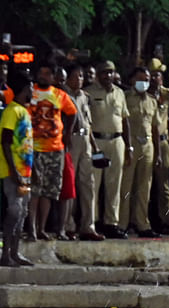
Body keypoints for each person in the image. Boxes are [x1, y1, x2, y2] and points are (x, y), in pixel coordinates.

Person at [27, 61, 76, 241]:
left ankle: (42, 228)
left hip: (55, 149)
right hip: (33, 148)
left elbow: (72, 113)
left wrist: (68, 134)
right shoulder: (30, 93)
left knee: (49, 190)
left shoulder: (60, 95)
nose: (43, 76)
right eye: (41, 72)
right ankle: (31, 228)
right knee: (34, 190)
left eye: (47, 73)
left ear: (54, 77)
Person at [85, 60, 129, 238]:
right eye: (104, 72)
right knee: (94, 183)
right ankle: (93, 221)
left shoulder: (119, 93)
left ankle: (112, 222)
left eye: (110, 72)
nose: (107, 76)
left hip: (117, 141)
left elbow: (125, 120)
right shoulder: (89, 92)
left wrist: (129, 146)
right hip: (97, 141)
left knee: (114, 183)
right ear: (98, 74)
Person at [62, 63, 101, 241]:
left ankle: (88, 226)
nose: (80, 79)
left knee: (88, 184)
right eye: (76, 75)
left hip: (85, 140)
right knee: (69, 184)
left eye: (82, 76)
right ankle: (68, 225)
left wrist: (95, 147)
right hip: (71, 140)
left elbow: (88, 124)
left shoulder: (85, 97)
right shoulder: (63, 96)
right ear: (68, 78)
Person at [119, 66, 158, 237]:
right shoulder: (126, 98)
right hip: (131, 143)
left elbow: (156, 128)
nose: (144, 83)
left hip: (148, 145)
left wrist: (158, 153)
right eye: (140, 79)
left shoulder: (152, 101)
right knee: (126, 185)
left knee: (144, 187)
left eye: (147, 80)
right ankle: (122, 223)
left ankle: (142, 223)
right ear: (132, 80)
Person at [1, 69, 33, 266]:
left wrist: (33, 170)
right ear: (24, 89)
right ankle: (5, 254)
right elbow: (5, 142)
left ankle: (16, 252)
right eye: (30, 88)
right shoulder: (11, 112)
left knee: (23, 212)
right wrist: (13, 170)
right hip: (13, 172)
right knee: (14, 212)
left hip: (25, 172)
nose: (32, 93)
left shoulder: (25, 112)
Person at [147, 60, 169, 233]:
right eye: (150, 75)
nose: (153, 78)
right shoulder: (142, 95)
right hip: (146, 140)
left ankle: (164, 220)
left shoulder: (167, 94)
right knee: (143, 183)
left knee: (163, 184)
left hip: (163, 142)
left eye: (156, 75)